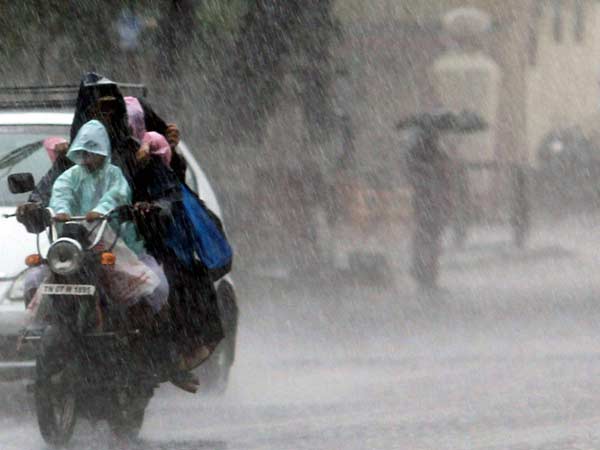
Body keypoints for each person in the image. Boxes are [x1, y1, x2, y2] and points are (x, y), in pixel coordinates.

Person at [404, 124, 452, 293]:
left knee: (428, 238)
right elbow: (417, 175)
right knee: (428, 238)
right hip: (429, 201)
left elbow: (444, 176)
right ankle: (425, 273)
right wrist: (434, 171)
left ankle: (425, 273)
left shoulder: (432, 152)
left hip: (431, 201)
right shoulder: (421, 153)